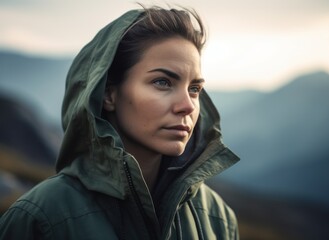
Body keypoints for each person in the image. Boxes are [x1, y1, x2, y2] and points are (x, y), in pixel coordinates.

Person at [0, 5, 240, 239]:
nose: (187, 105)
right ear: (108, 94)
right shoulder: (39, 219)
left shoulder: (217, 218)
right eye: (163, 82)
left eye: (194, 88)